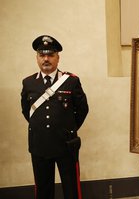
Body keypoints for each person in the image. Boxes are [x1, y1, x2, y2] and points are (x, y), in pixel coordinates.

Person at [21, 35, 89, 199]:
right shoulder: (28, 83)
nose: (46, 59)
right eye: (42, 55)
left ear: (58, 58)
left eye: (51, 55)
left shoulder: (71, 81)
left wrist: (67, 129)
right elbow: (26, 111)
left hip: (66, 144)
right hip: (39, 144)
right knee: (43, 189)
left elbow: (82, 110)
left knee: (71, 188)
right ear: (37, 58)